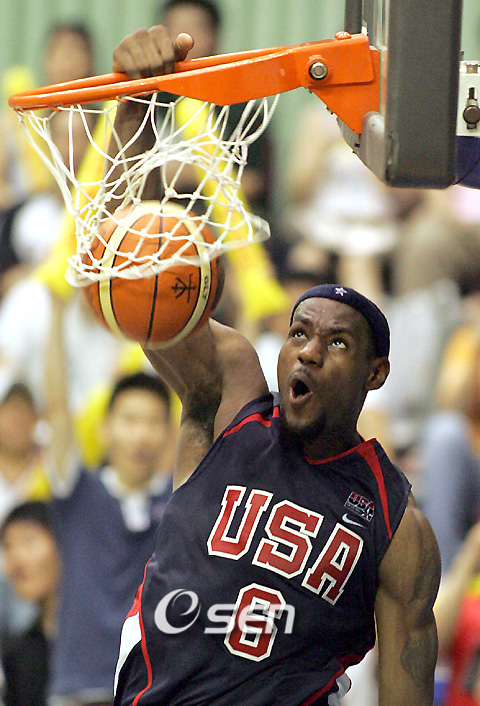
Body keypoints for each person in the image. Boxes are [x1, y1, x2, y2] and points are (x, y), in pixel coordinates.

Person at [106, 26, 441, 706]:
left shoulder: (394, 519)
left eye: (337, 343)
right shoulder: (228, 399)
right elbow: (132, 272)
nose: (309, 350)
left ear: (375, 374)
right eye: (299, 333)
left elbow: (406, 680)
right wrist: (136, 109)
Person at [44, 295, 175, 706]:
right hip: (78, 687)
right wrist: (57, 310)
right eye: (129, 420)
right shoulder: (77, 490)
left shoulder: (179, 500)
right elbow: (57, 407)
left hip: (149, 689)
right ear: (104, 428)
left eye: (153, 422)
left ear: (169, 434)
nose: (141, 434)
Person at [0, 501, 60, 706]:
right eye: (8, 547)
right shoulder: (19, 653)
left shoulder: (104, 637)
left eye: (28, 541)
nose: (15, 560)